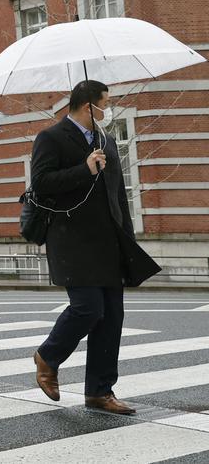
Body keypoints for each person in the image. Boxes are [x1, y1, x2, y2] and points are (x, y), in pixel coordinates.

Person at [30, 80, 158, 416]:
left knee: (112, 316)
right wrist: (83, 169)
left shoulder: (107, 141)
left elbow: (117, 194)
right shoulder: (51, 138)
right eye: (105, 103)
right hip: (71, 242)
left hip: (109, 244)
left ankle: (100, 391)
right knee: (88, 308)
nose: (108, 109)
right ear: (88, 106)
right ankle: (47, 356)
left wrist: (127, 240)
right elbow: (41, 185)